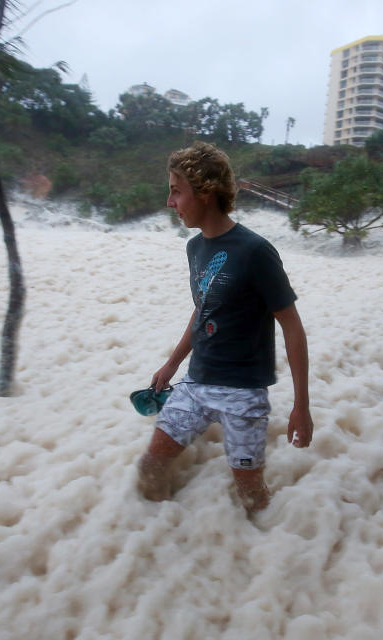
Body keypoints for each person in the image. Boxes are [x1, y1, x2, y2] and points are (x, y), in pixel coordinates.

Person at [137, 141, 313, 513]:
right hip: (197, 381)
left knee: (250, 493)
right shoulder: (195, 248)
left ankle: (266, 545)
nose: (170, 203)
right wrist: (172, 364)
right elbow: (203, 309)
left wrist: (301, 406)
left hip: (243, 392)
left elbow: (292, 328)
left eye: (176, 191)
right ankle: (158, 538)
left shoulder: (255, 251)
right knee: (151, 465)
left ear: (205, 192)